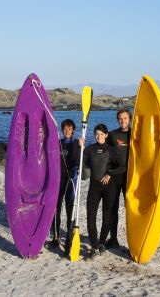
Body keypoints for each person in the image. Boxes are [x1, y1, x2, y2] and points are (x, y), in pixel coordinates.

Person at [84, 123, 126, 258]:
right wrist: (80, 147)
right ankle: (94, 246)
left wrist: (109, 174)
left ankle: (102, 242)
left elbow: (122, 167)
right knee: (91, 216)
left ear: (106, 135)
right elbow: (82, 164)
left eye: (101, 134)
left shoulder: (111, 150)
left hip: (109, 187)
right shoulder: (89, 149)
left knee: (107, 217)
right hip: (94, 187)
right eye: (97, 134)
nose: (99, 136)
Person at [47, 119, 81, 251]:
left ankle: (69, 238)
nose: (67, 131)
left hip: (71, 180)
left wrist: (82, 145)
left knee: (70, 210)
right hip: (58, 181)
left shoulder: (76, 143)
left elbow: (81, 160)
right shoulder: (58, 143)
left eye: (69, 129)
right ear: (62, 130)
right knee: (56, 209)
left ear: (73, 130)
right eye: (65, 129)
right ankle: (56, 237)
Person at [105, 109, 131, 248]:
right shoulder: (112, 135)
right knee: (112, 207)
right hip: (115, 176)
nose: (123, 121)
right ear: (117, 120)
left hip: (130, 177)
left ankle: (133, 240)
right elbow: (102, 149)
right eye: (120, 118)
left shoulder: (135, 134)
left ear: (130, 119)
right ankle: (113, 237)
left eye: (125, 118)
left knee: (131, 208)